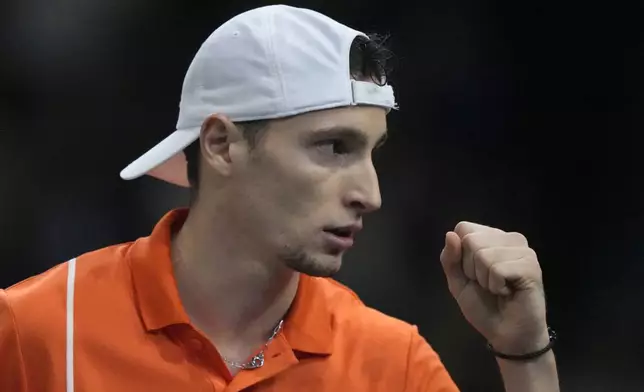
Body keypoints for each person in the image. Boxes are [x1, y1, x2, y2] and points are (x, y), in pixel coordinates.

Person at [0, 5, 559, 391]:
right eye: (334, 147)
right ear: (220, 144)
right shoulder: (35, 331)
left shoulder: (392, 363)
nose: (371, 194)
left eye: (373, 153)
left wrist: (526, 353)